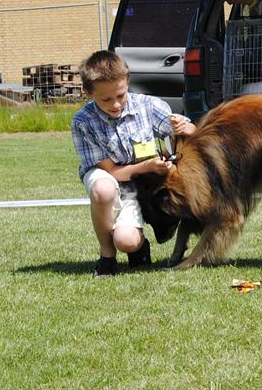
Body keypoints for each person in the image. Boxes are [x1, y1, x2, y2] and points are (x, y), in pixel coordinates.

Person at [72, 50, 196, 277]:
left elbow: (190, 132)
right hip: (110, 177)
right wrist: (147, 167)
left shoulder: (150, 106)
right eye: (105, 99)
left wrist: (184, 127)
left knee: (126, 241)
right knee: (102, 189)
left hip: (143, 183)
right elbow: (111, 171)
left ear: (127, 82)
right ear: (89, 93)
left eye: (120, 95)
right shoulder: (83, 121)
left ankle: (138, 247)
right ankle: (107, 255)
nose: (116, 105)